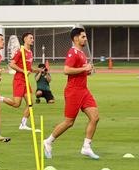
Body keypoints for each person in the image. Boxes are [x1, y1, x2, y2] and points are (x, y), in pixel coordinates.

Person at [43, 27, 100, 160]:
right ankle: (48, 141)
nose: (85, 39)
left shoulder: (82, 53)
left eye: (85, 37)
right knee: (69, 122)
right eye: (83, 37)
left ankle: (86, 147)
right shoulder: (72, 52)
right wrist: (84, 69)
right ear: (76, 39)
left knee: (95, 117)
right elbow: (66, 70)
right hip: (73, 91)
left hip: (84, 90)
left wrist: (88, 71)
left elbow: (80, 71)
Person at [11, 32, 38, 131]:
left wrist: (37, 70)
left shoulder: (30, 52)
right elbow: (12, 64)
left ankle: (23, 124)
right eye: (31, 38)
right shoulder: (20, 51)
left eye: (33, 38)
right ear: (25, 39)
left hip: (26, 80)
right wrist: (23, 71)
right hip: (19, 79)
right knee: (16, 103)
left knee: (30, 102)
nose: (32, 40)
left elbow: (29, 69)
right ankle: (0, 98)